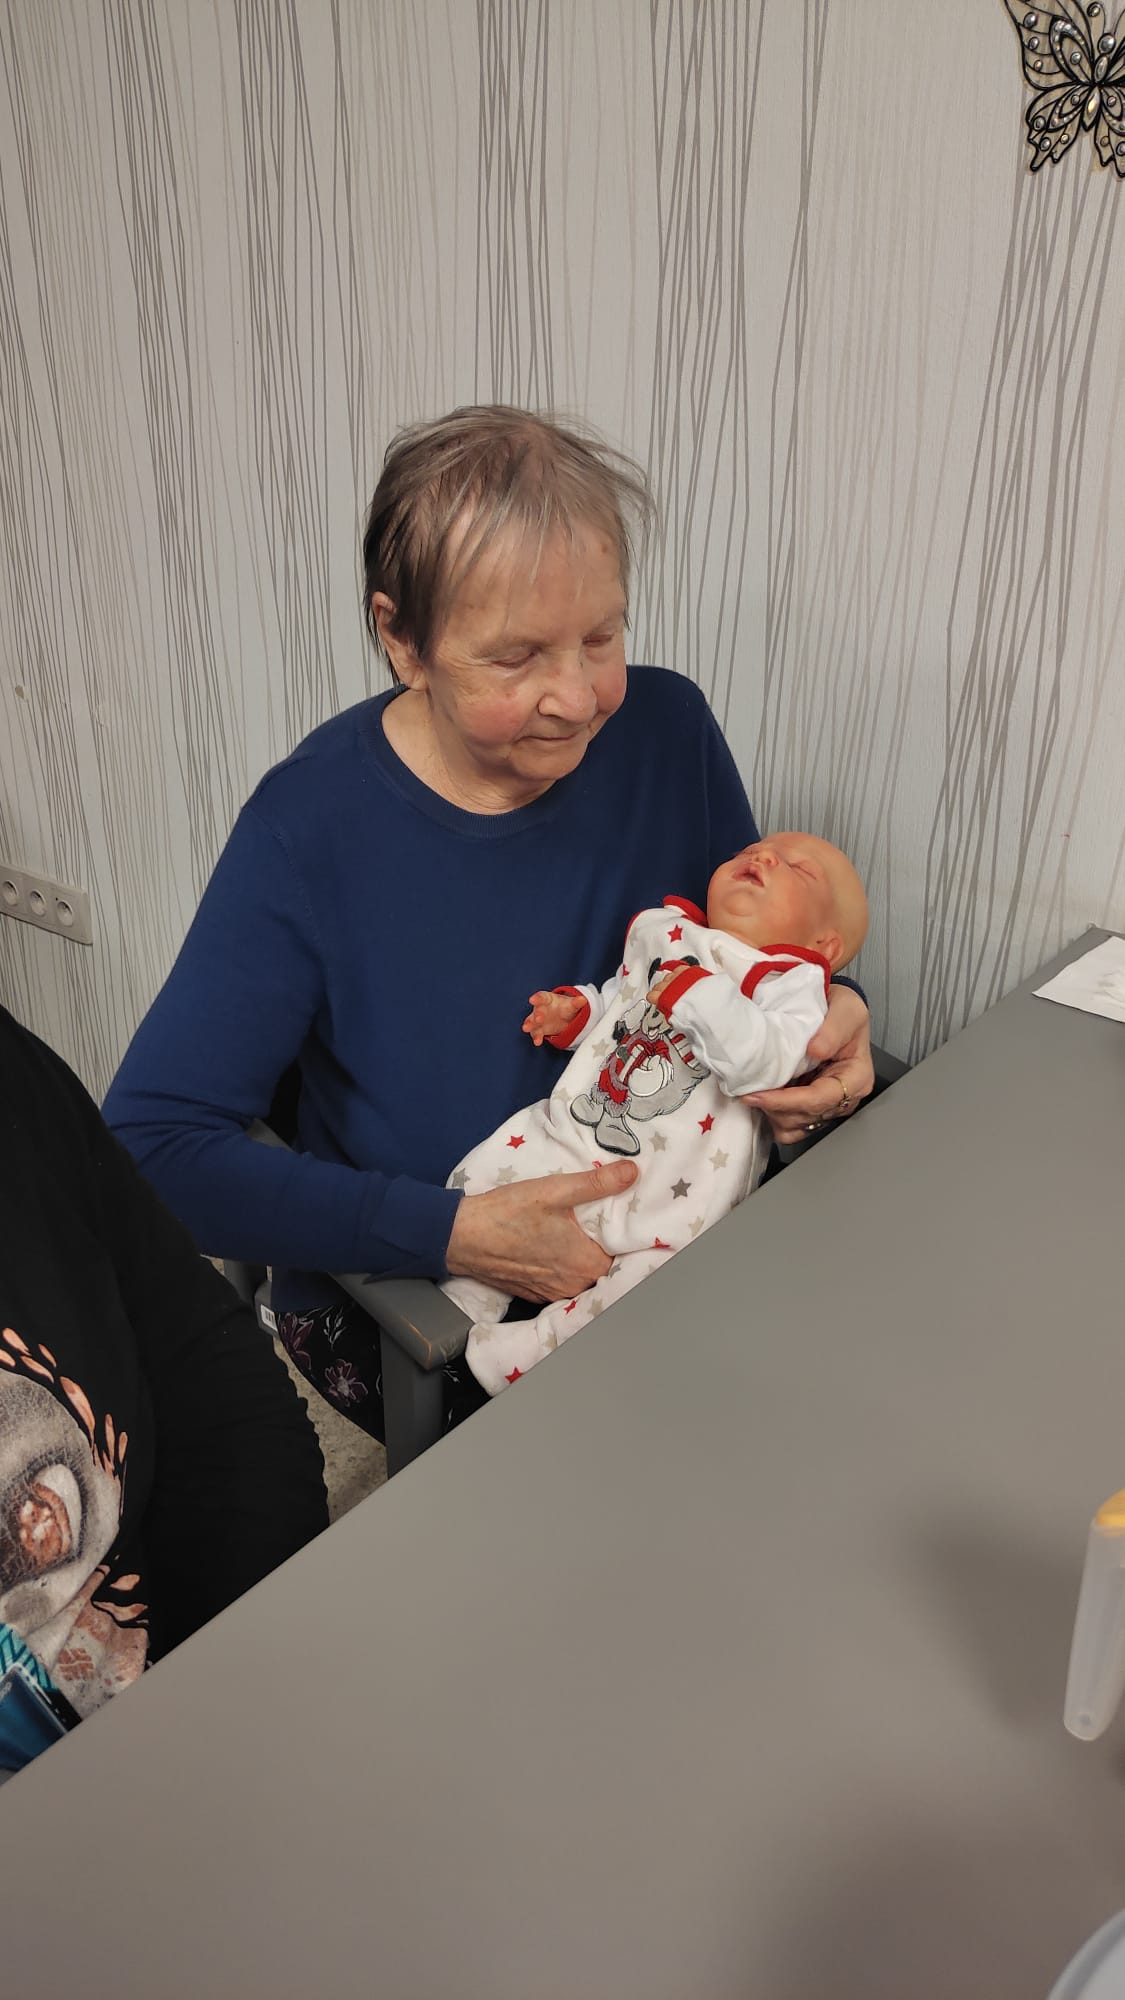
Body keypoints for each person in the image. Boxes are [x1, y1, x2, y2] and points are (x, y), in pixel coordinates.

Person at [105, 406, 874, 1444]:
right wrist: (457, 1232)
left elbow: (744, 946)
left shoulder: (667, 729)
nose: (578, 697)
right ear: (402, 638)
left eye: (600, 636)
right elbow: (149, 1148)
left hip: (662, 1237)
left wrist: (834, 1012)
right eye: (516, 657)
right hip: (420, 1300)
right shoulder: (308, 828)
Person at [0, 1004, 327, 1782]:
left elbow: (217, 1388)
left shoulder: (14, 1075)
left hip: (182, 1721)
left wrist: (244, 1689)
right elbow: (168, 1131)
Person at [446, 832, 868, 1393]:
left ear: (824, 945)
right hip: (579, 1138)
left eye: (798, 868)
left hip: (675, 1198)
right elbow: (623, 998)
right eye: (748, 853)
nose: (762, 856)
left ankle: (529, 1355)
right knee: (485, 1174)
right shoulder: (670, 934)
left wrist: (699, 993)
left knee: (651, 1296)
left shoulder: (791, 991)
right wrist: (580, 1013)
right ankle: (463, 1300)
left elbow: (763, 1062)